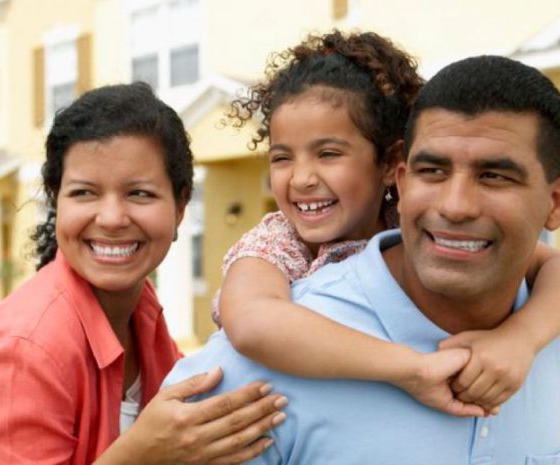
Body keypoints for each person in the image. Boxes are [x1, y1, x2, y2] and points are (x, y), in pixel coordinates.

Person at [165, 54, 560, 463]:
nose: (456, 207)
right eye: (434, 171)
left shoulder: (466, 252)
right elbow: (250, 324)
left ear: (389, 167)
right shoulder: (274, 257)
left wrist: (523, 339)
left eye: (495, 176)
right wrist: (411, 368)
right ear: (406, 180)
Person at [0, 83, 287, 465]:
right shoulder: (28, 348)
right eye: (84, 193)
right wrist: (140, 455)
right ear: (57, 202)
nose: (112, 219)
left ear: (181, 206)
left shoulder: (141, 311)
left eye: (139, 194)